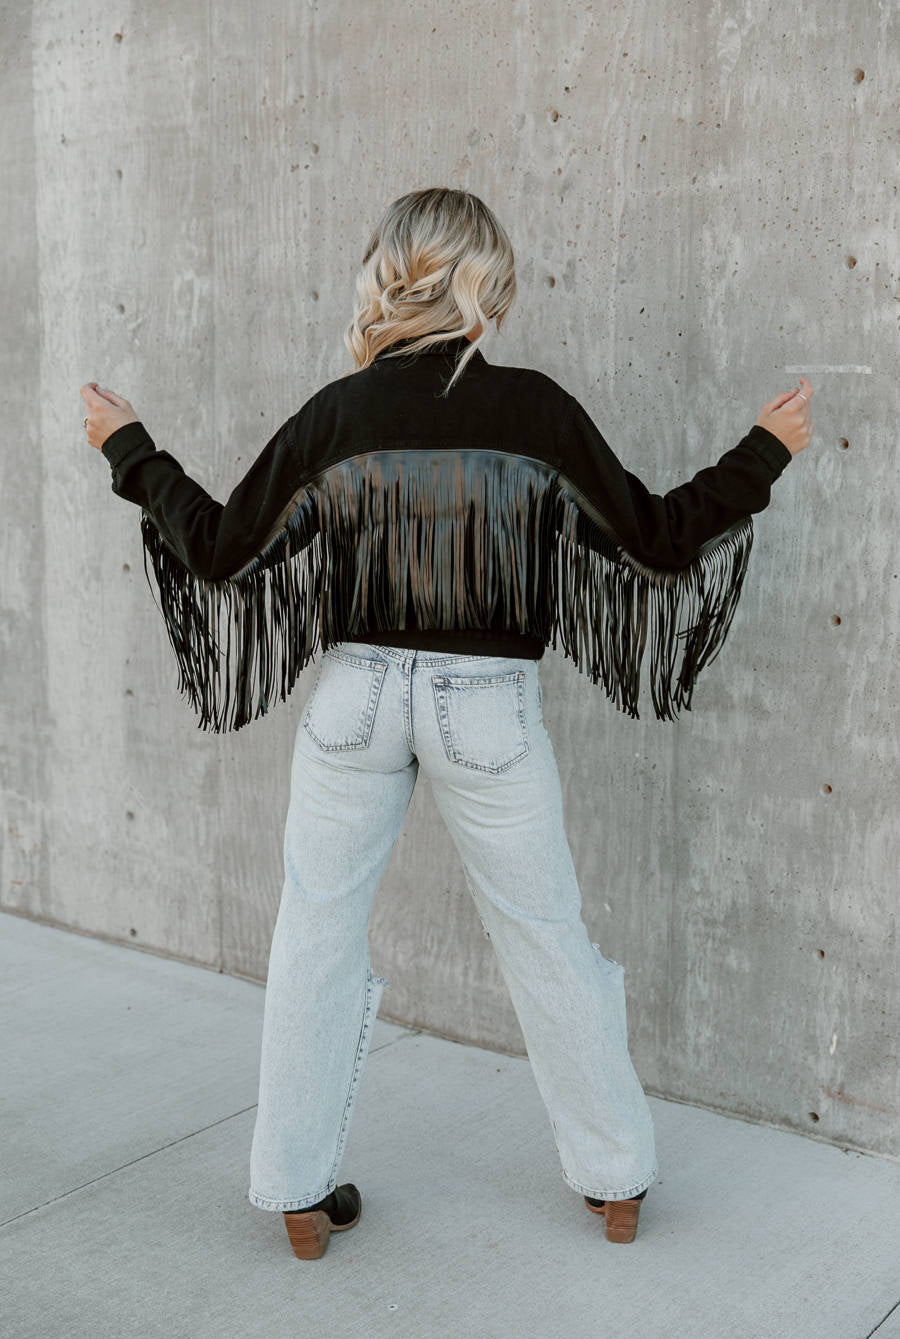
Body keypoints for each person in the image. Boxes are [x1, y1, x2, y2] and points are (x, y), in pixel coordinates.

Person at [81, 186, 813, 1254]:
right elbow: (656, 541)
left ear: (389, 278)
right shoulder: (533, 410)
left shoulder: (340, 414)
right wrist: (764, 449)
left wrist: (129, 446)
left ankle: (294, 1189)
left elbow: (221, 549)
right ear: (486, 283)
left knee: (315, 934)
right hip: (487, 709)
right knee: (547, 936)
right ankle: (614, 1178)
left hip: (354, 701)